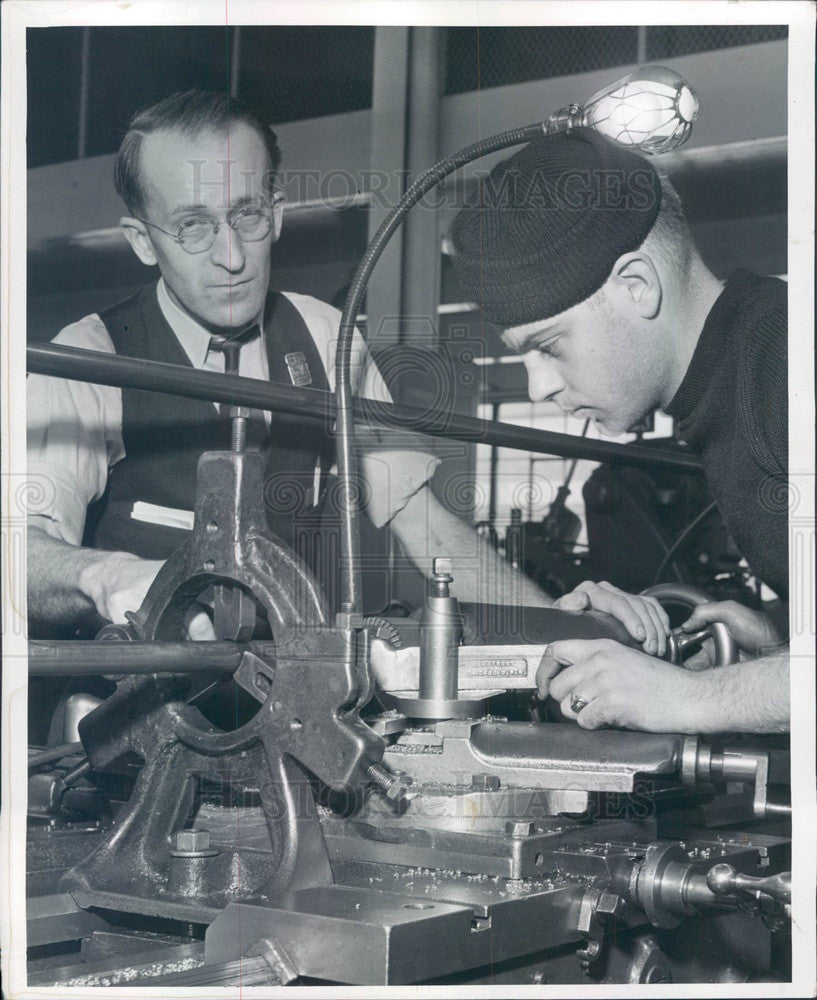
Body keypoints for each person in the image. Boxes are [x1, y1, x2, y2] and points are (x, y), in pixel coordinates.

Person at [27, 90, 665, 649]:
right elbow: (19, 554)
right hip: (123, 740)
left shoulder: (327, 337)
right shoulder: (87, 359)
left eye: (247, 214)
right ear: (142, 240)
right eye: (193, 226)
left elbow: (423, 523)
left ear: (275, 212)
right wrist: (106, 575)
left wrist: (560, 624)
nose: (230, 256)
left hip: (284, 716)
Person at [449, 127, 788, 734]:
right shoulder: (737, 377)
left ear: (637, 286)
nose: (536, 387)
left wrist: (693, 698)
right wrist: (771, 649)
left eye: (549, 346)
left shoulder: (787, 364)